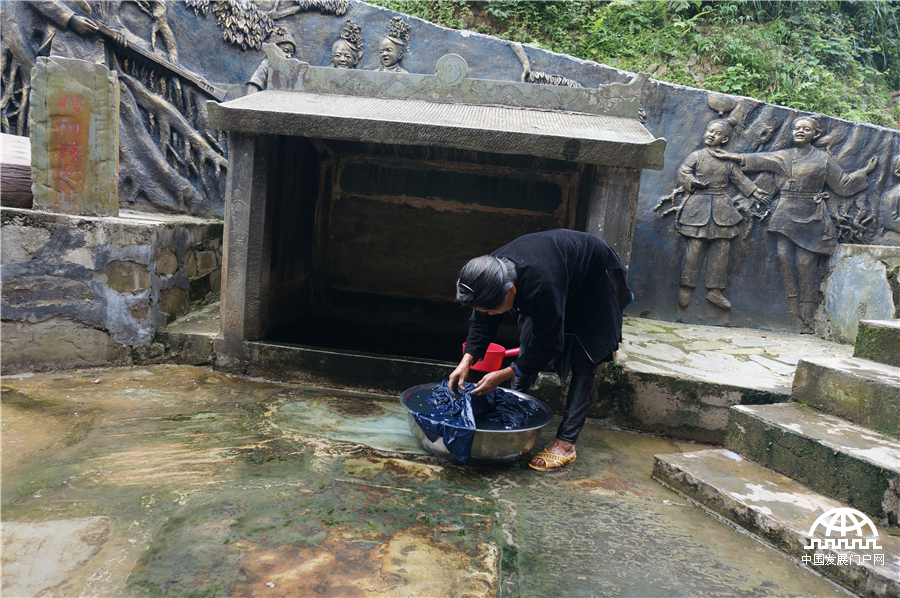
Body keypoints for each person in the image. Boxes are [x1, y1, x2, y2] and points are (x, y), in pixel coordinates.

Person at [449, 229, 633, 471]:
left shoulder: (541, 284)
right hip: (555, 272)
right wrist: (466, 361)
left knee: (584, 360)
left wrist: (503, 374)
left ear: (511, 291)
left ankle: (566, 444)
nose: (490, 314)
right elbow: (483, 320)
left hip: (594, 279)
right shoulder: (487, 273)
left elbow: (550, 344)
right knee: (528, 344)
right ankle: (514, 415)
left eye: (492, 309)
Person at [713, 115, 878, 328]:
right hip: (785, 213)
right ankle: (792, 308)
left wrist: (865, 172)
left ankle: (807, 310)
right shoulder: (784, 156)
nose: (800, 131)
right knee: (784, 257)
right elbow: (758, 159)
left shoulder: (823, 159)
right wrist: (731, 156)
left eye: (806, 129)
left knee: (805, 263)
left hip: (811, 215)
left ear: (816, 134)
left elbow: (843, 185)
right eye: (796, 128)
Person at [673, 117, 770, 309]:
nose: (712, 135)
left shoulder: (727, 161)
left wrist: (756, 192)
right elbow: (683, 172)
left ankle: (715, 291)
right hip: (698, 206)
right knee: (695, 247)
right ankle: (686, 286)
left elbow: (740, 180)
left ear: (724, 139)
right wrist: (692, 182)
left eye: (717, 134)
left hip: (722, 208)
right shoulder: (696, 156)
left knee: (721, 248)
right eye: (710, 131)